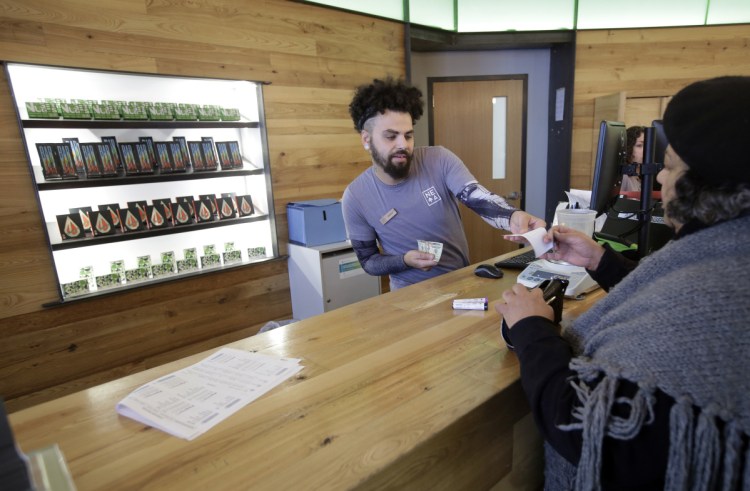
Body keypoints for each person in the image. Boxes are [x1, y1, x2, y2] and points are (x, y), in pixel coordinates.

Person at [496, 76, 750, 489]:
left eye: (668, 167)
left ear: (703, 186)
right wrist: (600, 260)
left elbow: (589, 429)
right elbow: (661, 293)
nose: (660, 181)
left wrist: (532, 331)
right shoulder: (725, 254)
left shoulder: (718, 298)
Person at [342, 77, 546, 290]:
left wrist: (512, 216)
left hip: (461, 284)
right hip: (407, 297)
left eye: (408, 135)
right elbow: (368, 261)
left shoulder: (439, 159)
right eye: (391, 137)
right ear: (366, 139)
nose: (403, 144)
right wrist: (404, 260)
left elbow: (476, 197)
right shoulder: (355, 197)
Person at [620, 125, 644, 193]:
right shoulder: (624, 177)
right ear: (628, 148)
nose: (647, 150)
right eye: (639, 145)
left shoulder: (642, 176)